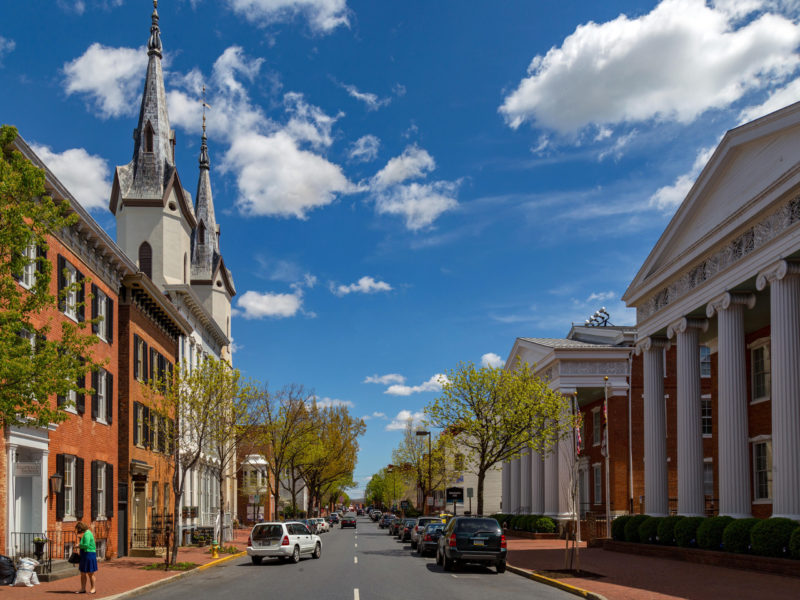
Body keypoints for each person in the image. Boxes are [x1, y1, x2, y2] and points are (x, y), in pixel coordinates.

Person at [75, 522, 97, 594]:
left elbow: (86, 545)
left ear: (81, 528)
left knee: (90, 573)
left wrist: (79, 545)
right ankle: (83, 588)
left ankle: (93, 588)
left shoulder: (87, 533)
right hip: (84, 554)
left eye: (79, 529)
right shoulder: (86, 533)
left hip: (89, 554)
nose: (79, 531)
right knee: (83, 573)